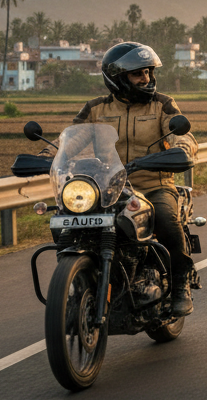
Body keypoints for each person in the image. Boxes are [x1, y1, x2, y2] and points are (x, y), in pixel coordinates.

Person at [57, 42, 199, 315]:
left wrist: (183, 148)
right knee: (68, 224)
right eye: (138, 74)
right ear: (118, 78)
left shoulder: (161, 104)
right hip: (107, 189)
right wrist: (46, 156)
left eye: (148, 72)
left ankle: (181, 283)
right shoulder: (96, 109)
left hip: (153, 185)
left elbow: (180, 132)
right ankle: (78, 280)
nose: (146, 78)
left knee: (167, 221)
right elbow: (69, 141)